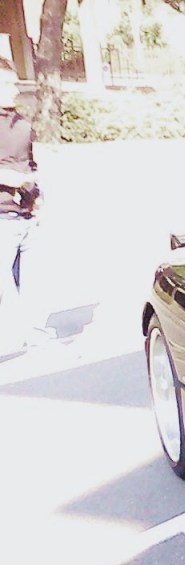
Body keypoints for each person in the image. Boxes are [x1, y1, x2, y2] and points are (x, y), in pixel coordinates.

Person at [0, 56, 43, 356]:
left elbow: (32, 163)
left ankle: (35, 333)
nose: (13, 89)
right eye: (5, 84)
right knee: (4, 283)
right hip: (2, 215)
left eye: (13, 83)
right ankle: (15, 336)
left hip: (27, 215)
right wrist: (15, 181)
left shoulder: (23, 123)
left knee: (34, 280)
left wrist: (37, 194)